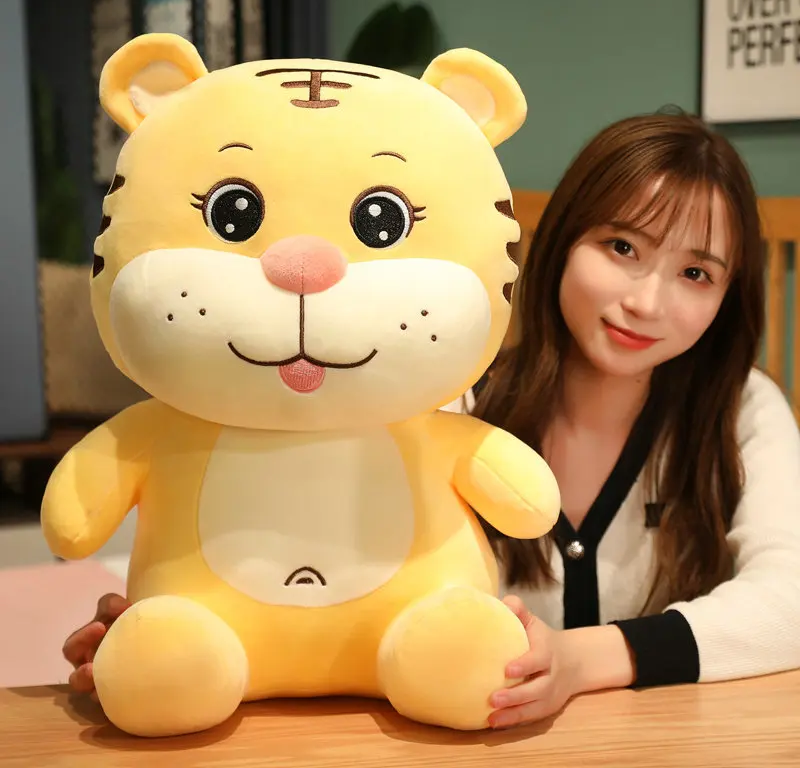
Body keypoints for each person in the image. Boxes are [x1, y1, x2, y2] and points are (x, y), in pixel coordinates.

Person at [62, 110, 800, 730]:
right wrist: (173, 634)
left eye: (695, 273)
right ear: (561, 241)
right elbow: (328, 579)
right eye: (622, 247)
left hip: (673, 738)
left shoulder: (742, 413)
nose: (646, 301)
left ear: (727, 294)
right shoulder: (449, 402)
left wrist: (585, 659)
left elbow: (790, 599)